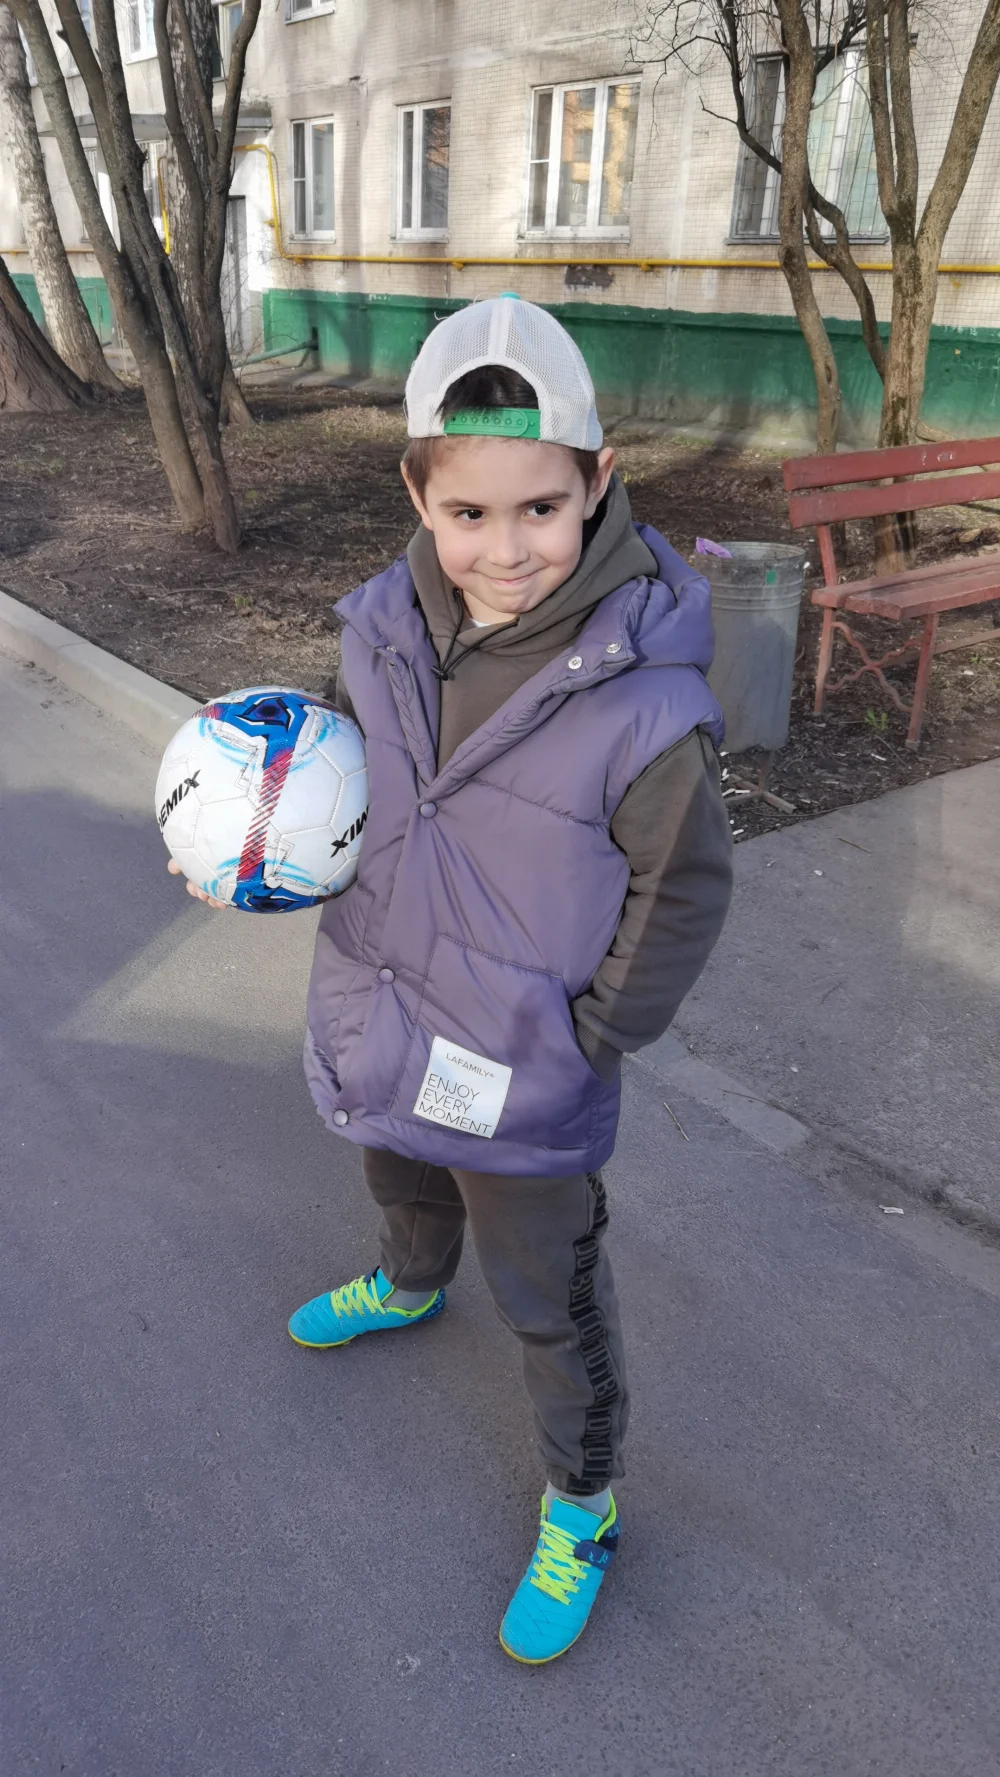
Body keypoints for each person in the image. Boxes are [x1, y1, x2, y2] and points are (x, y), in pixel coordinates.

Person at [174, 295, 733, 1664]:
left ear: (597, 482)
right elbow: (348, 781)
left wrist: (591, 1036)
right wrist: (258, 845)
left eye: (542, 508)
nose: (508, 547)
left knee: (549, 1290)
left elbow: (682, 890)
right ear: (418, 494)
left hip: (525, 1060)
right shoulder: (379, 629)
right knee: (396, 1160)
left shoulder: (647, 700)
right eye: (469, 512)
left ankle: (583, 1505)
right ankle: (411, 1280)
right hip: (388, 1000)